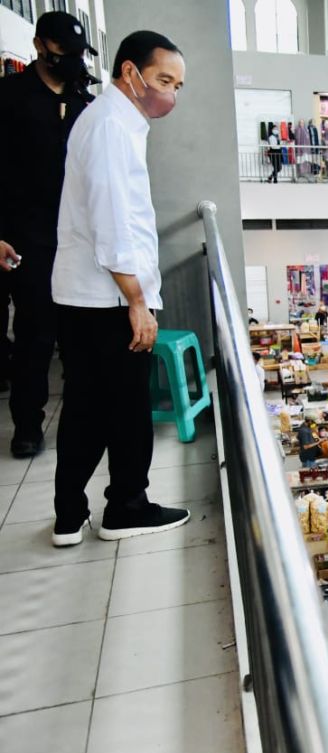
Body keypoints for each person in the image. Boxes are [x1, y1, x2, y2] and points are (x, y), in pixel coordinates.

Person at [51, 31, 190, 546]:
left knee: (85, 406)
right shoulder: (111, 125)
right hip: (109, 298)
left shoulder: (108, 121)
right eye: (162, 80)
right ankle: (126, 507)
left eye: (177, 84)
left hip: (84, 295)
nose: (170, 94)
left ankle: (69, 517)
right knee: (128, 408)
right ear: (130, 72)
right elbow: (113, 223)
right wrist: (137, 301)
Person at [0, 12, 94, 457]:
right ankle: (28, 425)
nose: (72, 61)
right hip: (26, 236)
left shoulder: (82, 101)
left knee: (78, 336)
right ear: (40, 46)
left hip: (75, 237)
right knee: (36, 336)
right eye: (64, 53)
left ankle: (83, 419)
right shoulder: (9, 97)